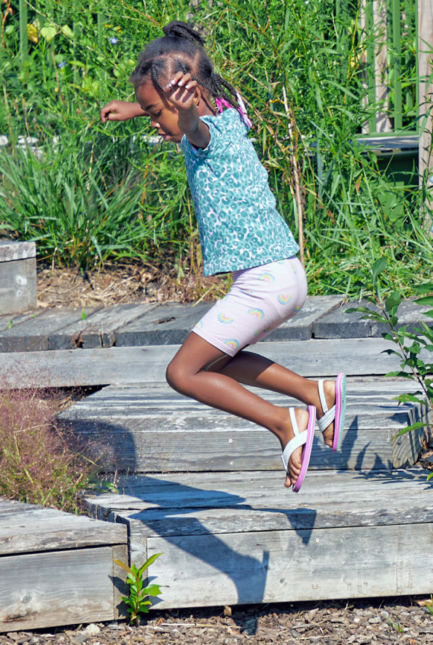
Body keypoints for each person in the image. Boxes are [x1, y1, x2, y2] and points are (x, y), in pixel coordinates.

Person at [100, 20, 346, 492]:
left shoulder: (203, 133)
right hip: (282, 275)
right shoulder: (230, 112)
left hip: (263, 283)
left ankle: (285, 422)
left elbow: (190, 124)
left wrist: (181, 114)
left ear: (185, 100)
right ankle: (315, 392)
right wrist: (137, 107)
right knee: (216, 360)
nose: (155, 123)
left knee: (183, 372)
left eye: (156, 113)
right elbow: (186, 113)